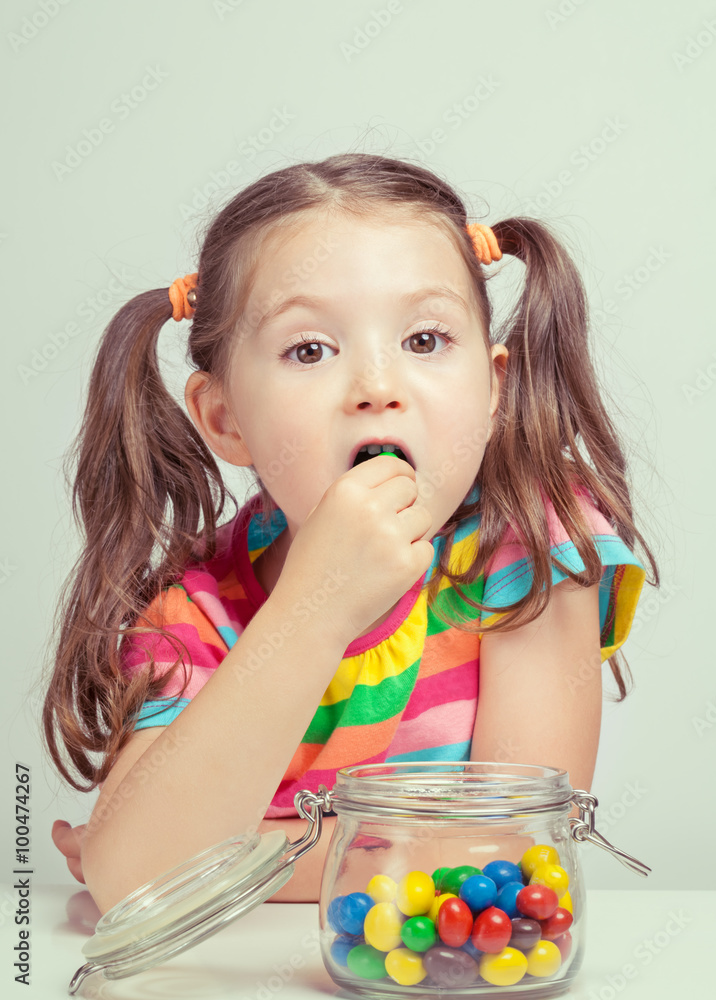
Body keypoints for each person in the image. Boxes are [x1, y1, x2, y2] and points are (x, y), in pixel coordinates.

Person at [44, 153, 658, 916]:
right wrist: (318, 606)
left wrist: (249, 855)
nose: (376, 388)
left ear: (494, 386)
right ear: (224, 419)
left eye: (425, 340)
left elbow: (520, 847)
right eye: (309, 350)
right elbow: (138, 881)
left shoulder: (528, 543)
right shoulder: (196, 613)